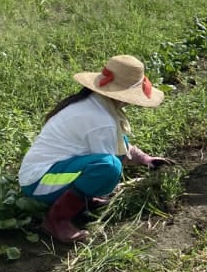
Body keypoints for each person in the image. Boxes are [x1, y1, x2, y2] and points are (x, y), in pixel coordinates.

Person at [18, 55, 169, 243]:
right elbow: (113, 160)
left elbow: (118, 142)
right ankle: (56, 219)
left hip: (44, 173)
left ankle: (82, 199)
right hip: (39, 183)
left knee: (104, 166)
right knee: (108, 168)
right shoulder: (100, 119)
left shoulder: (95, 103)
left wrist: (143, 158)